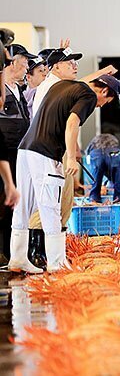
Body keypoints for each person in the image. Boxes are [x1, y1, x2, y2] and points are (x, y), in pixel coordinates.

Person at [9, 74, 119, 273]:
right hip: (45, 151)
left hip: (25, 149)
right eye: (105, 102)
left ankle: (17, 258)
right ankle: (56, 263)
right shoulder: (89, 95)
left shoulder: (63, 86)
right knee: (51, 206)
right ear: (103, 91)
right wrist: (69, 158)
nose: (99, 106)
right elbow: (71, 124)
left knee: (23, 204)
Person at [1, 45, 37, 261]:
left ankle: (11, 252)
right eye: (25, 63)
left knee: (15, 204)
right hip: (4, 155)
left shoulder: (18, 91)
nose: (27, 68)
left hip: (19, 155)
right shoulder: (1, 90)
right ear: (13, 62)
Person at [86, 134, 120, 203]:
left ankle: (94, 200)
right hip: (113, 150)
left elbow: (88, 156)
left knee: (95, 181)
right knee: (118, 179)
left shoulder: (94, 141)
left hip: (96, 151)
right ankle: (118, 201)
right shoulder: (114, 140)